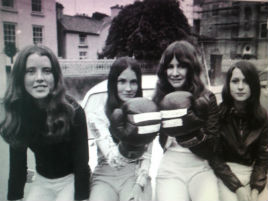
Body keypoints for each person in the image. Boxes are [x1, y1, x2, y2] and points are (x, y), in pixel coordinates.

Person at [0, 45, 90, 201]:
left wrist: (82, 198)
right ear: (21, 77)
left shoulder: (73, 111)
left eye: (47, 71)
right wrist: (14, 198)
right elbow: (17, 166)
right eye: (31, 71)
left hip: (71, 180)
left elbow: (81, 164)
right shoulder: (18, 112)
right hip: (42, 182)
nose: (39, 78)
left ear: (55, 76)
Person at [153, 40, 220, 201]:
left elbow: (213, 146)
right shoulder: (159, 99)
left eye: (181, 66)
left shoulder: (206, 98)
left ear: (191, 68)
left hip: (200, 168)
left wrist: (190, 134)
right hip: (171, 167)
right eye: (170, 66)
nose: (175, 73)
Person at [87, 57, 153, 201]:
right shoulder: (98, 115)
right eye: (122, 81)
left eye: (133, 82)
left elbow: (147, 156)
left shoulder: (146, 112)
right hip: (104, 175)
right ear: (113, 83)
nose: (128, 88)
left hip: (134, 173)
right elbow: (113, 158)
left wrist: (140, 184)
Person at [209, 61, 268, 201]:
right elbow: (215, 157)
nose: (240, 87)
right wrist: (237, 187)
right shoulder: (217, 114)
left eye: (246, 82)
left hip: (254, 173)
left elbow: (262, 159)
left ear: (253, 85)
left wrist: (255, 189)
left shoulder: (262, 116)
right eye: (235, 81)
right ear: (228, 85)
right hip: (226, 174)